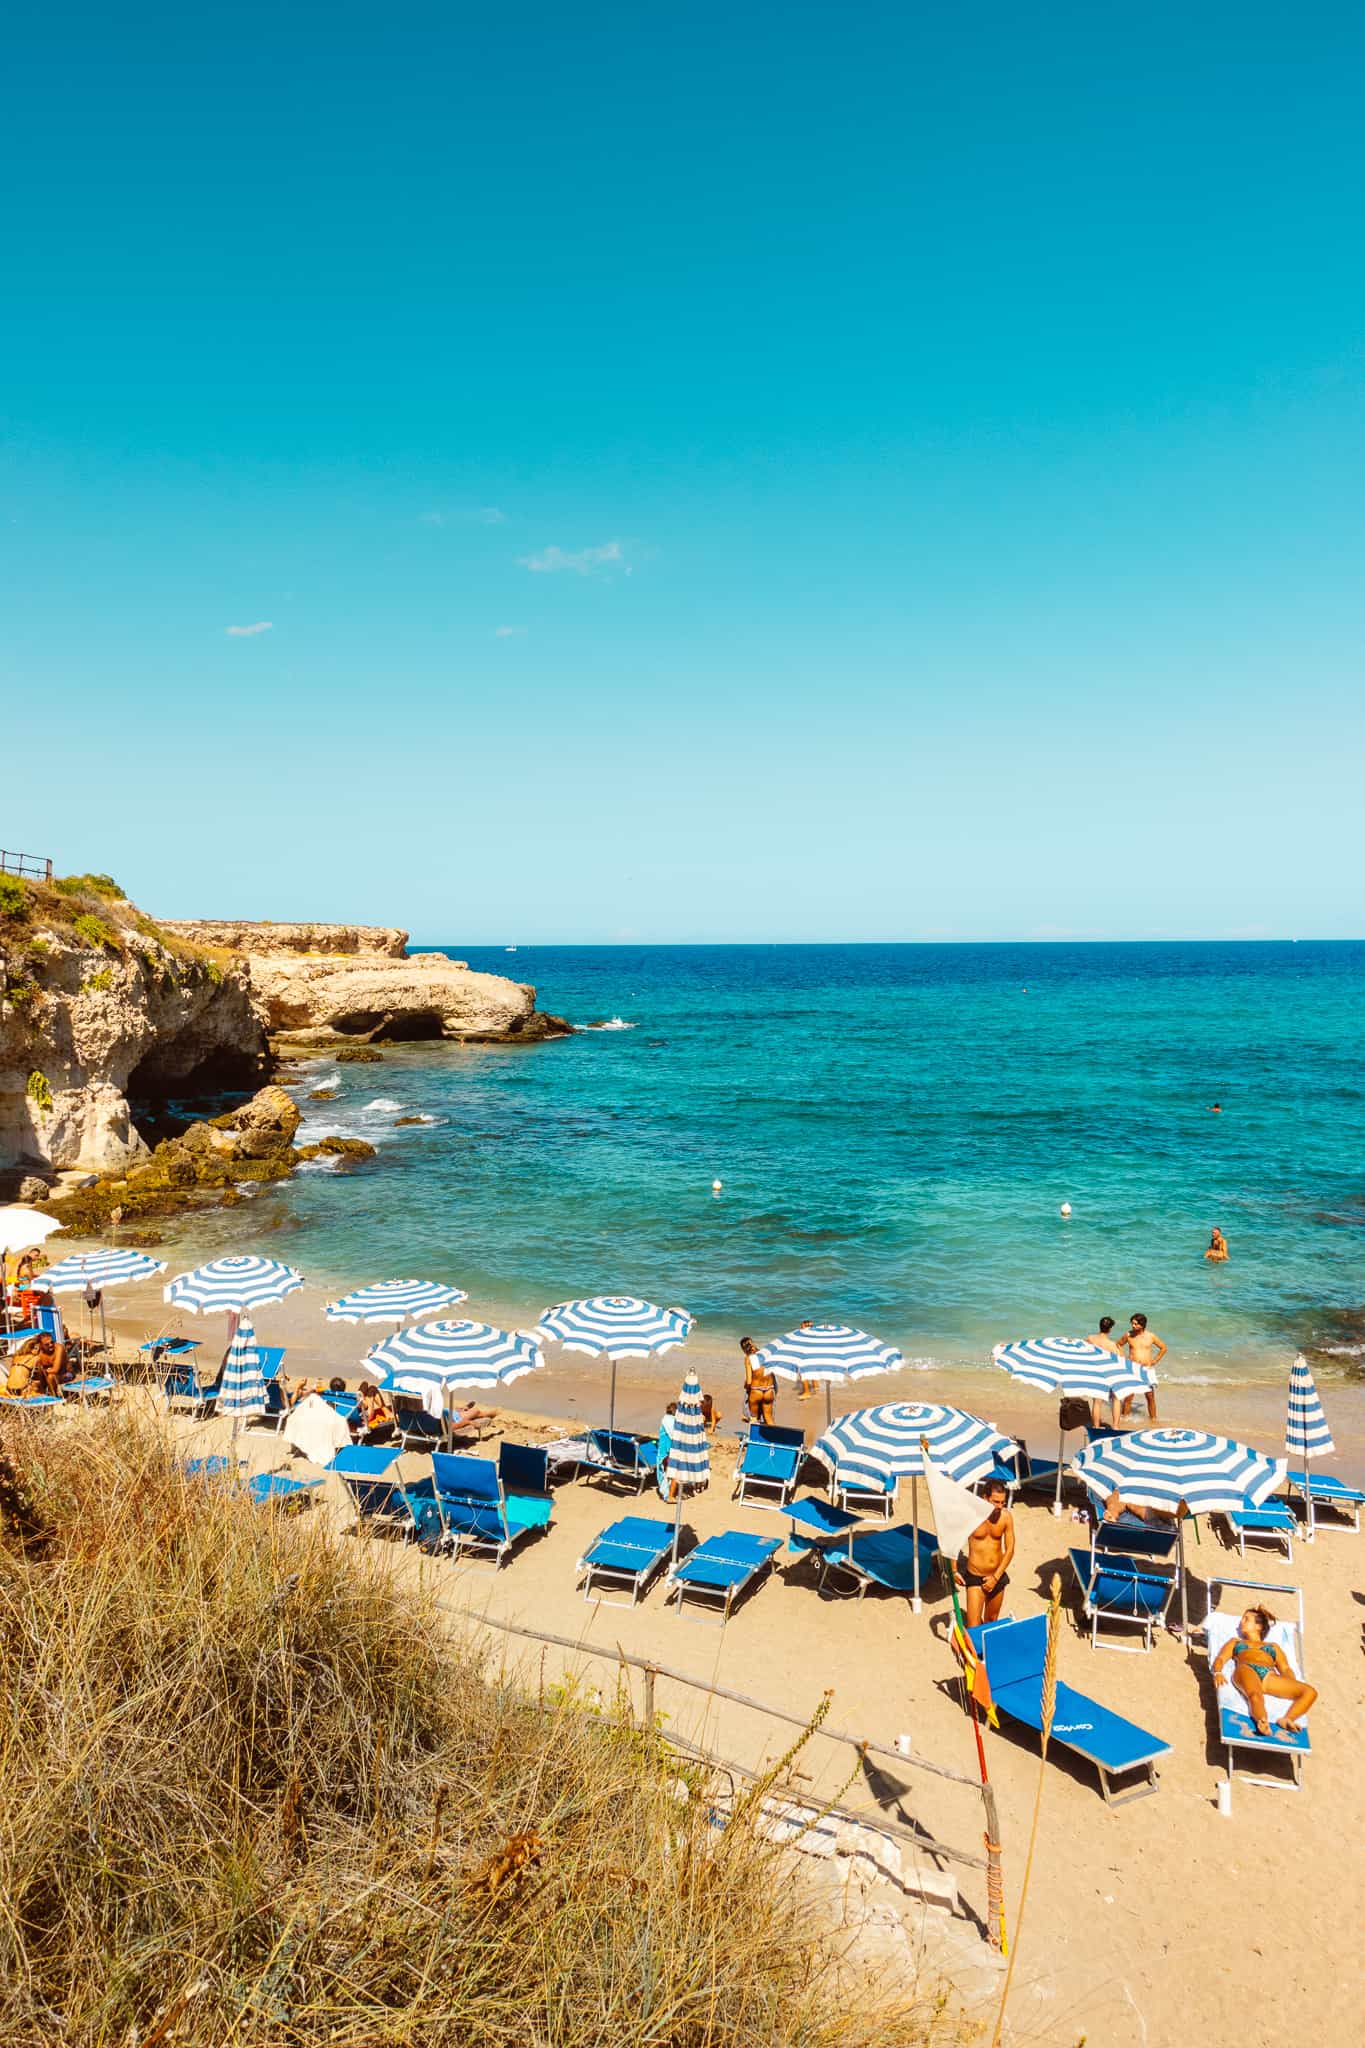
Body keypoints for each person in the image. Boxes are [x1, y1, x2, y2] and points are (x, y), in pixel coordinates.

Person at [1212, 1606, 1317, 1738]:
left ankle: (1287, 1719)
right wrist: (1218, 1672)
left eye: (1246, 1619)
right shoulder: (1236, 1642)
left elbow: (1285, 1668)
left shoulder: (1273, 1647)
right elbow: (1221, 1658)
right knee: (1255, 1695)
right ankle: (1262, 1720)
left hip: (1269, 1675)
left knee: (1310, 1692)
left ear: (1259, 1626)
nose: (1241, 1622)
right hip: (1246, 1668)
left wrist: (1291, 1683)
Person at [956, 1480, 1015, 1626]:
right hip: (975, 1576)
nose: (1000, 1506)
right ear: (984, 1498)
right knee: (973, 1626)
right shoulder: (970, 1516)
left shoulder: (1006, 1517)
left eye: (1003, 1502)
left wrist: (995, 1578)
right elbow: (953, 1541)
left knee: (991, 1621)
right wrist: (953, 1570)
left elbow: (1010, 1549)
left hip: (997, 1575)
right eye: (996, 1502)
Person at [1117, 1313, 1165, 1420]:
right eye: (1132, 1323)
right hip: (1132, 1368)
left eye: (1135, 1324)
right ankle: (1125, 1418)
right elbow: (1118, 1344)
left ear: (1142, 1325)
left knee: (1150, 1396)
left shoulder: (1151, 1336)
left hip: (1146, 1370)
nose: (1133, 1326)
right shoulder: (1128, 1335)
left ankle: (1153, 1420)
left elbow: (1163, 1348)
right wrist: (1123, 1358)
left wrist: (1155, 1361)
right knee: (1129, 1396)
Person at [1084, 1316, 1122, 1430]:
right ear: (1110, 1329)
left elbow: (1081, 1348)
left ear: (1100, 1326)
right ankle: (1115, 1426)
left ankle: (1095, 1426)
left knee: (1097, 1401)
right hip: (1108, 1373)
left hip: (1094, 1372)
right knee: (1116, 1398)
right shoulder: (1112, 1344)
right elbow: (1120, 1360)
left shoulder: (1090, 1338)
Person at [741, 1336, 776, 1427]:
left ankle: (754, 1439)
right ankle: (774, 1438)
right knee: (769, 1418)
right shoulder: (766, 1354)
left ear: (744, 1349)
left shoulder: (748, 1359)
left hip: (756, 1390)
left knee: (754, 1419)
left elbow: (749, 1381)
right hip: (769, 1389)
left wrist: (746, 1386)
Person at [355, 1381, 396, 1445]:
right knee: (372, 1389)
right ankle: (387, 1412)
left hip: (353, 1415)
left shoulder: (339, 1398)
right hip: (364, 1418)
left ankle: (361, 1400)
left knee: (365, 1383)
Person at [656, 1400, 678, 1501]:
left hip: (664, 1452)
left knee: (664, 1474)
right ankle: (667, 1495)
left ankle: (667, 1493)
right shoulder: (669, 1421)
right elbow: (673, 1435)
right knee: (665, 1474)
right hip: (666, 1453)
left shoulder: (667, 1419)